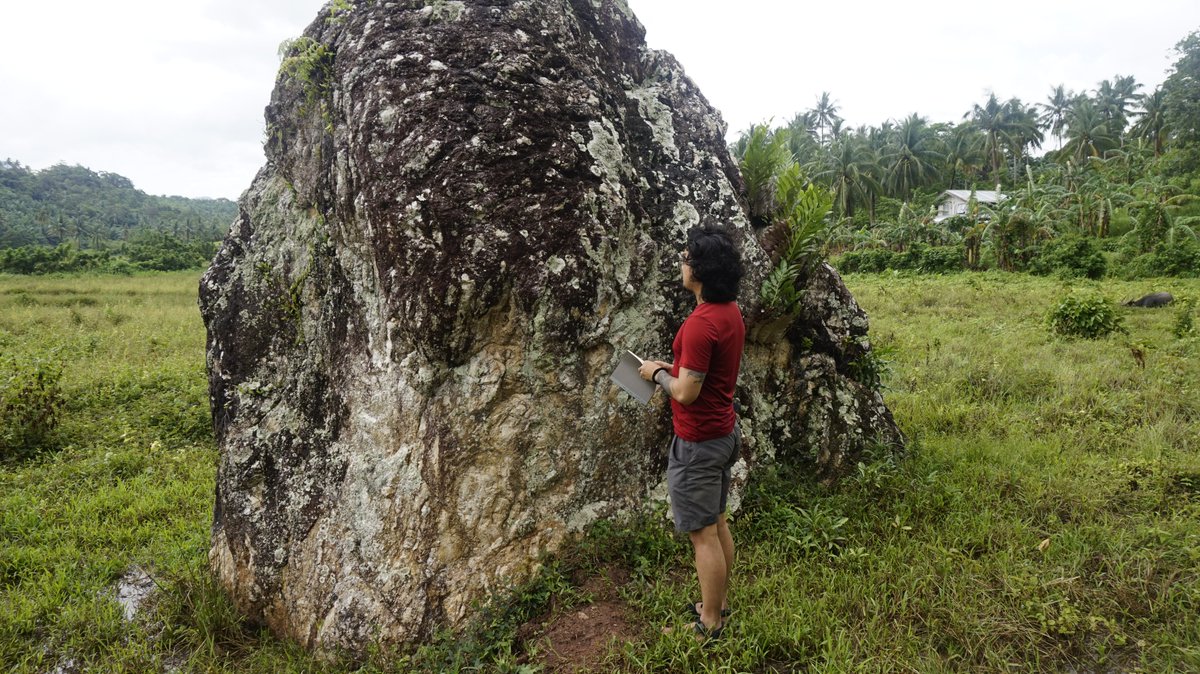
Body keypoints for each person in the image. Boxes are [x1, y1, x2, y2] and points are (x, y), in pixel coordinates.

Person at [638, 225, 745, 641]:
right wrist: (672, 368)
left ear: (699, 270)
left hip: (698, 442)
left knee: (703, 535)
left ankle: (710, 624)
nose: (682, 264)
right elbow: (705, 373)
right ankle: (715, 605)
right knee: (717, 524)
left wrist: (658, 374)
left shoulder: (701, 324)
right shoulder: (729, 312)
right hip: (722, 433)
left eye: (686, 258)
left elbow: (685, 391)